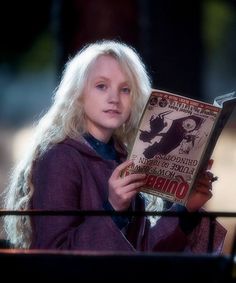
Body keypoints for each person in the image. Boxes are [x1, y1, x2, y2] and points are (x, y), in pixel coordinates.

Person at [3, 40, 226, 252]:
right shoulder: (59, 158)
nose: (114, 98)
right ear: (78, 95)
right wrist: (112, 209)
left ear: (134, 99)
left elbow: (142, 251)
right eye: (101, 86)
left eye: (125, 89)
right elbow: (53, 255)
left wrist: (186, 208)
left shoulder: (123, 158)